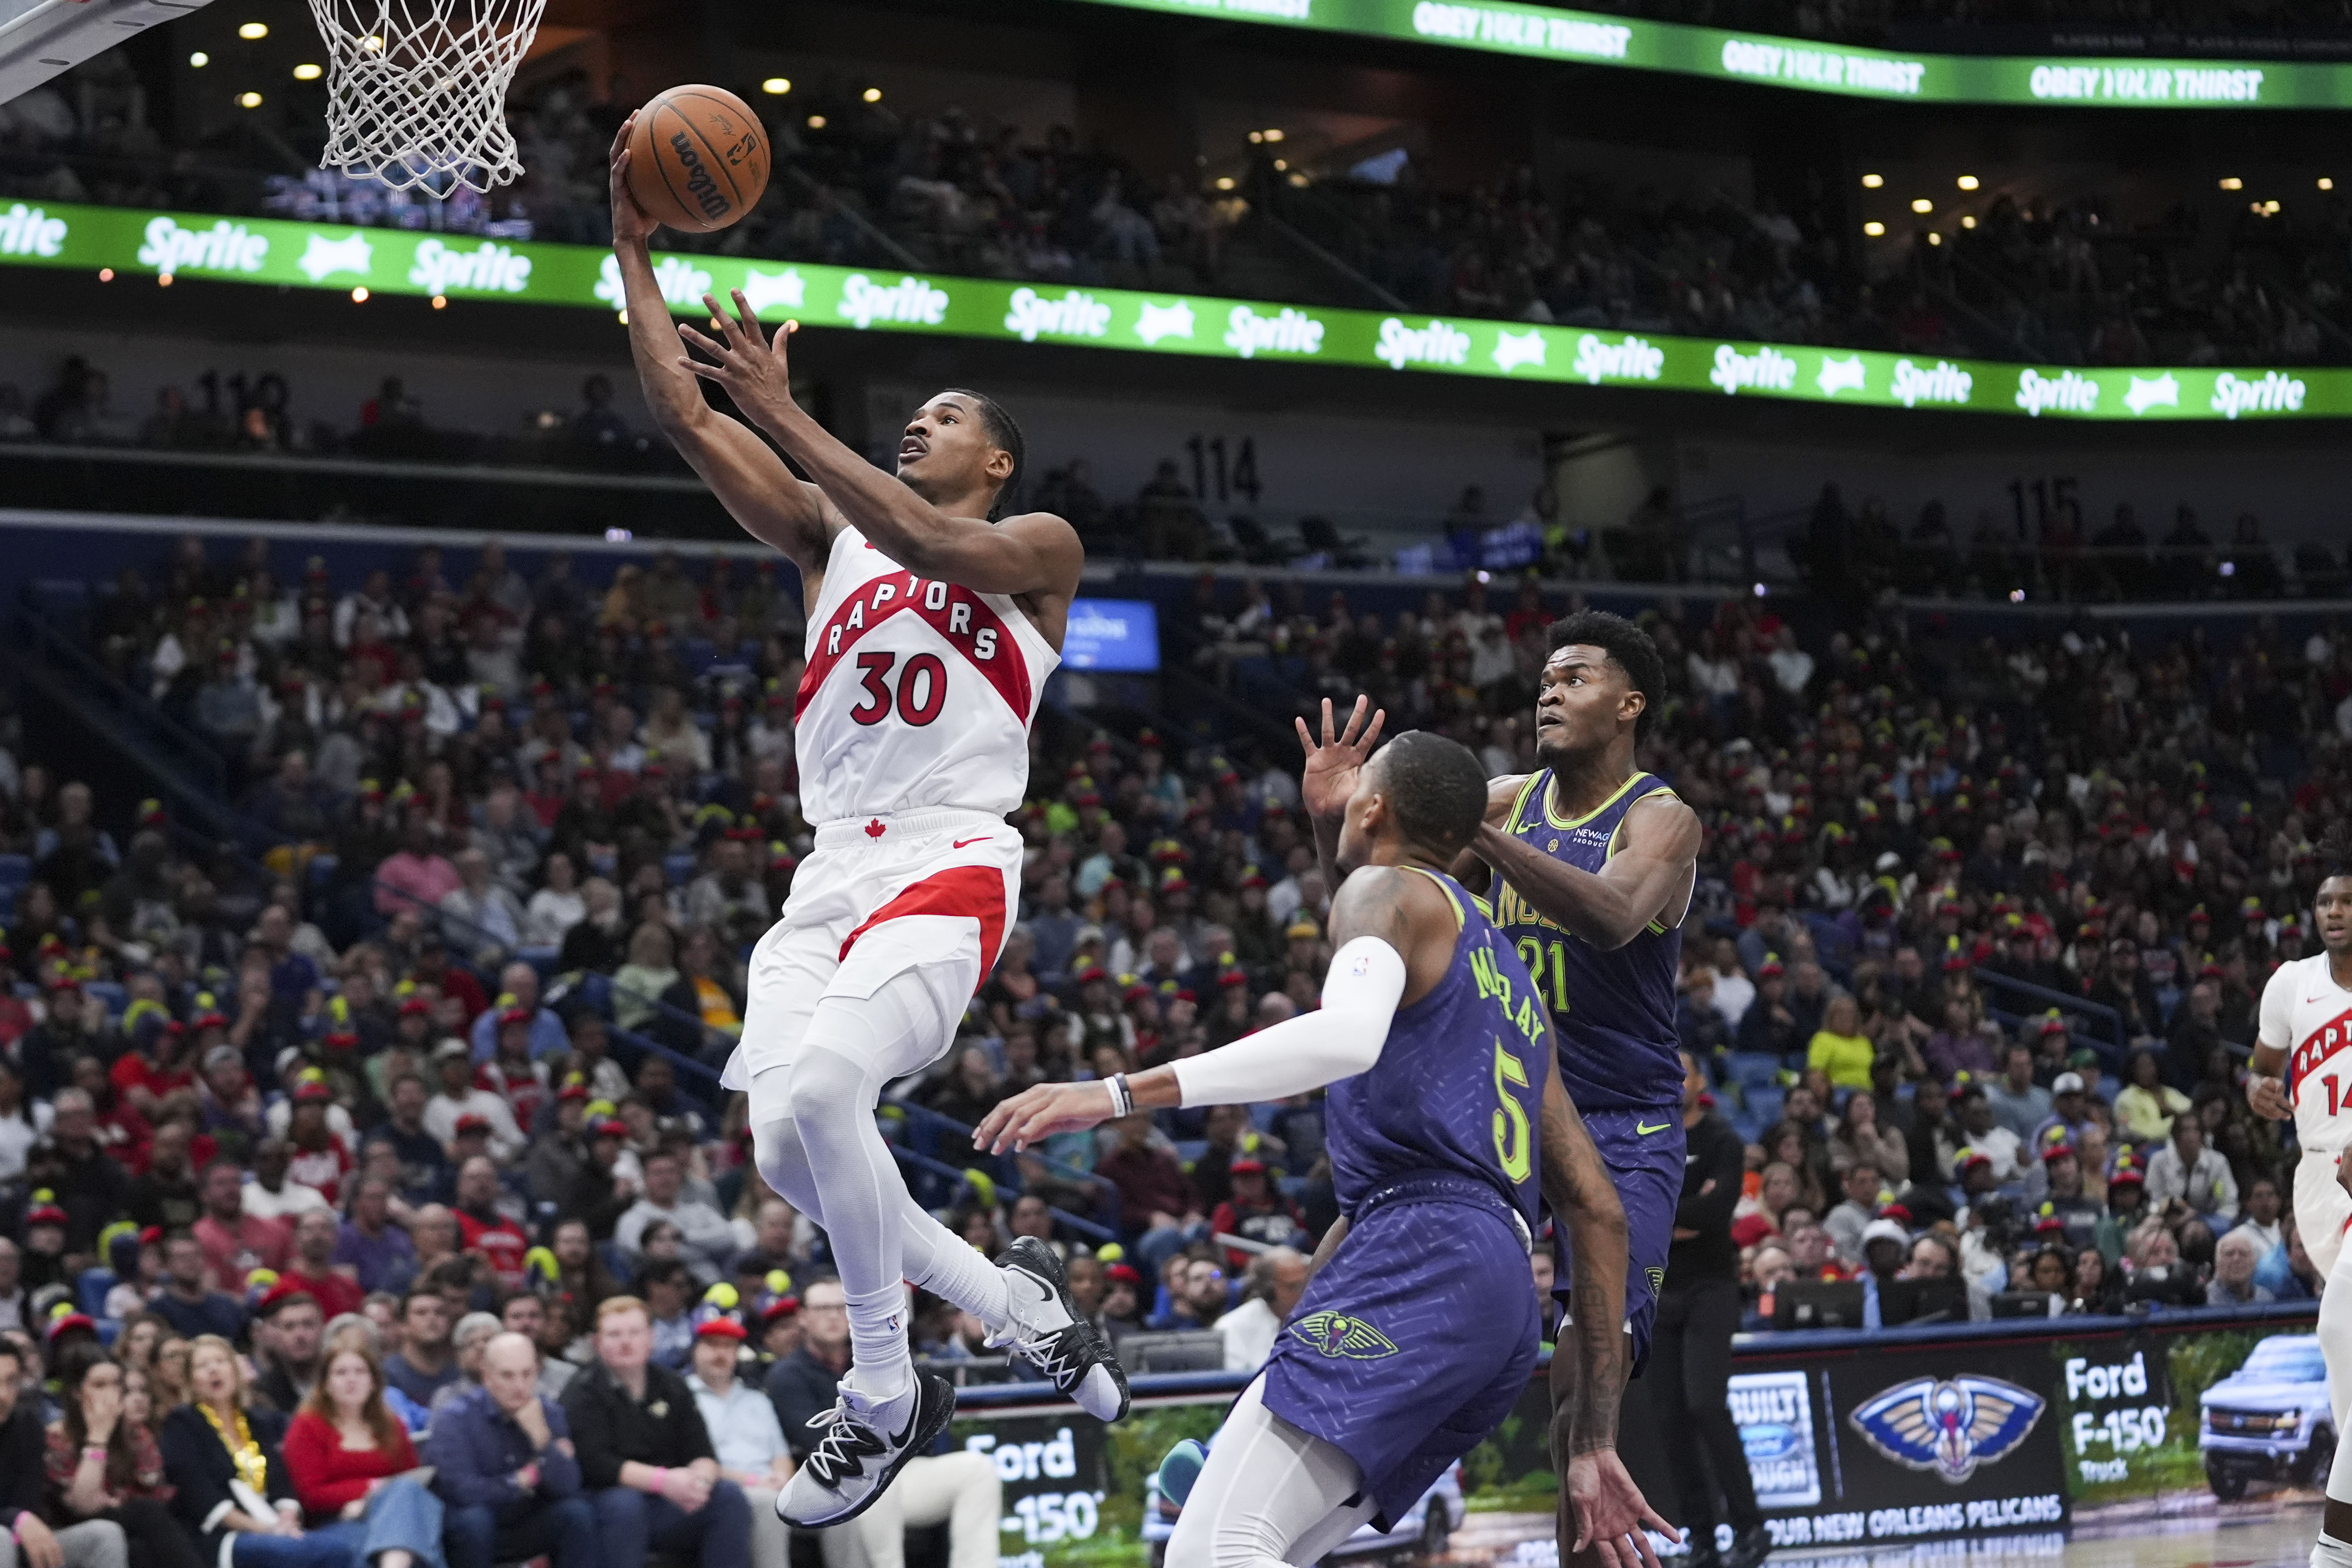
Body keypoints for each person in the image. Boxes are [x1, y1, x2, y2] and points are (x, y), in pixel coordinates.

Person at [610, 113, 1122, 1529]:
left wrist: (788, 409)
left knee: (832, 1098)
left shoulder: (1036, 550)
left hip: (951, 851)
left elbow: (931, 542)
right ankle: (1003, 1294)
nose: (923, 420)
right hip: (829, 869)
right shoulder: (829, 539)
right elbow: (682, 414)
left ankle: (888, 1389)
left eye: (950, 415)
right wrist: (632, 244)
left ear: (1000, 460)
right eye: (920, 412)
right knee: (784, 1145)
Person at [979, 727, 1660, 1568]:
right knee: (1267, 1549)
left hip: (1424, 1254)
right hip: (1499, 1302)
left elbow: (1346, 1031)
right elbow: (1596, 1206)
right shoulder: (1510, 986)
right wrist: (1594, 1437)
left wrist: (1115, 1092)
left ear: (1372, 805)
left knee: (1213, 1551)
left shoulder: (1386, 889)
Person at [1451, 609, 1699, 1562]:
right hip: (1513, 1118)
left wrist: (1481, 828)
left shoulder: (1660, 816)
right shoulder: (1506, 798)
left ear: (1629, 702)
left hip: (1624, 1126)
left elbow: (1610, 916)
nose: (1548, 690)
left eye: (1575, 677)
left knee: (1583, 1374)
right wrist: (1337, 816)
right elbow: (1377, 891)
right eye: (1544, 679)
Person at [2250, 842, 2352, 1568]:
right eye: (2324, 903)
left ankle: (2333, 1548)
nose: (2334, 913)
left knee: (2340, 1323)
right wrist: (2254, 1092)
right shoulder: (2289, 983)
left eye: (2345, 901)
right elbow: (2259, 1070)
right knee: (2344, 1362)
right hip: (2317, 1177)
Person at [764, 1279, 1002, 1568]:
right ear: (802, 1316)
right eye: (823, 1308)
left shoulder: (879, 1359)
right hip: (844, 1475)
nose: (833, 1316)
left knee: (978, 1471)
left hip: (904, 1468)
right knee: (873, 1484)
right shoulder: (787, 1375)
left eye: (841, 1307)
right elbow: (813, 1438)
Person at [1650, 1051, 1765, 1568]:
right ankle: (1701, 1540)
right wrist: (1682, 1211)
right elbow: (1635, 1207)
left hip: (1713, 1286)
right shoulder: (1647, 1135)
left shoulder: (1722, 1139)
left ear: (1700, 1081)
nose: (1676, 1079)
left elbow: (1717, 1213)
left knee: (1706, 1403)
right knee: (1670, 1418)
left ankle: (1751, 1528)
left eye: (1684, 1070)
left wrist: (1665, 1212)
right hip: (1660, 1290)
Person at [558, 1297, 748, 1568]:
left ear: (651, 1338)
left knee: (728, 1496)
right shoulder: (582, 1391)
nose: (626, 1342)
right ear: (598, 1343)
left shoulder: (672, 1385)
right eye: (614, 1334)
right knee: (625, 1504)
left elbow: (702, 1452)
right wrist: (663, 1481)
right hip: (606, 1501)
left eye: (635, 1333)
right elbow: (596, 1463)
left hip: (668, 1499)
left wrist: (699, 1485)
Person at [157, 1335, 345, 1568]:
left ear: (236, 1371)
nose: (213, 1370)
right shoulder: (181, 1424)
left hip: (273, 1526)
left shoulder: (257, 1421)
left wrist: (286, 1520)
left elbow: (280, 1482)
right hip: (219, 1536)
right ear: (190, 1381)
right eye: (202, 1366)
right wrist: (267, 1530)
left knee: (342, 1551)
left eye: (221, 1361)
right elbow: (199, 1495)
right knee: (298, 1553)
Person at [426, 1334, 595, 1568]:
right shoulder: (455, 1418)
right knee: (475, 1522)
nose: (520, 1387)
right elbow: (464, 1491)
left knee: (576, 1513)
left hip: (525, 1522)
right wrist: (522, 1480)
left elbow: (568, 1487)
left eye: (528, 1374)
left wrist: (542, 1440)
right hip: (470, 1527)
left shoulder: (548, 1413)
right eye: (508, 1376)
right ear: (487, 1377)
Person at [280, 1337, 445, 1568]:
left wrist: (375, 1501)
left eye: (360, 1372)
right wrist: (374, 1490)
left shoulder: (391, 1424)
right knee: (409, 1538)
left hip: (388, 1514)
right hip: (333, 1521)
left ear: (374, 1382)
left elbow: (410, 1481)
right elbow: (310, 1494)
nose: (352, 1380)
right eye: (341, 1373)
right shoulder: (307, 1426)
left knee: (410, 1509)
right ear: (326, 1384)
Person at [41, 1345, 178, 1568]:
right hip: (73, 1531)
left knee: (140, 1549)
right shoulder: (55, 1439)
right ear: (76, 1392)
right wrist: (99, 1436)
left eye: (116, 1384)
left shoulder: (133, 1432)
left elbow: (158, 1492)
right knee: (143, 1515)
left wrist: (116, 1502)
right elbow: (83, 1506)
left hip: (130, 1524)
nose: (111, 1393)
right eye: (99, 1385)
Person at [682, 1313, 793, 1567]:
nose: (720, 1354)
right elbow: (691, 1461)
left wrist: (781, 1479)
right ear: (695, 1349)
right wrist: (755, 1481)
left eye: (728, 1346)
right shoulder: (682, 1397)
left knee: (840, 1506)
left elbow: (781, 1454)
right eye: (712, 1345)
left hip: (770, 1485)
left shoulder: (758, 1400)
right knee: (768, 1504)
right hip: (717, 1488)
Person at [1218, 1249, 1308, 1375]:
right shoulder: (1232, 1327)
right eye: (1293, 1287)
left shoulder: (1316, 1319)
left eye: (1305, 1285)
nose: (1303, 1293)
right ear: (1268, 1290)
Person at [382, 1293, 457, 1408]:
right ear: (402, 1325)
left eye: (440, 1313)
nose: (432, 1319)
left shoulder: (457, 1374)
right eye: (421, 1313)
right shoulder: (387, 1375)